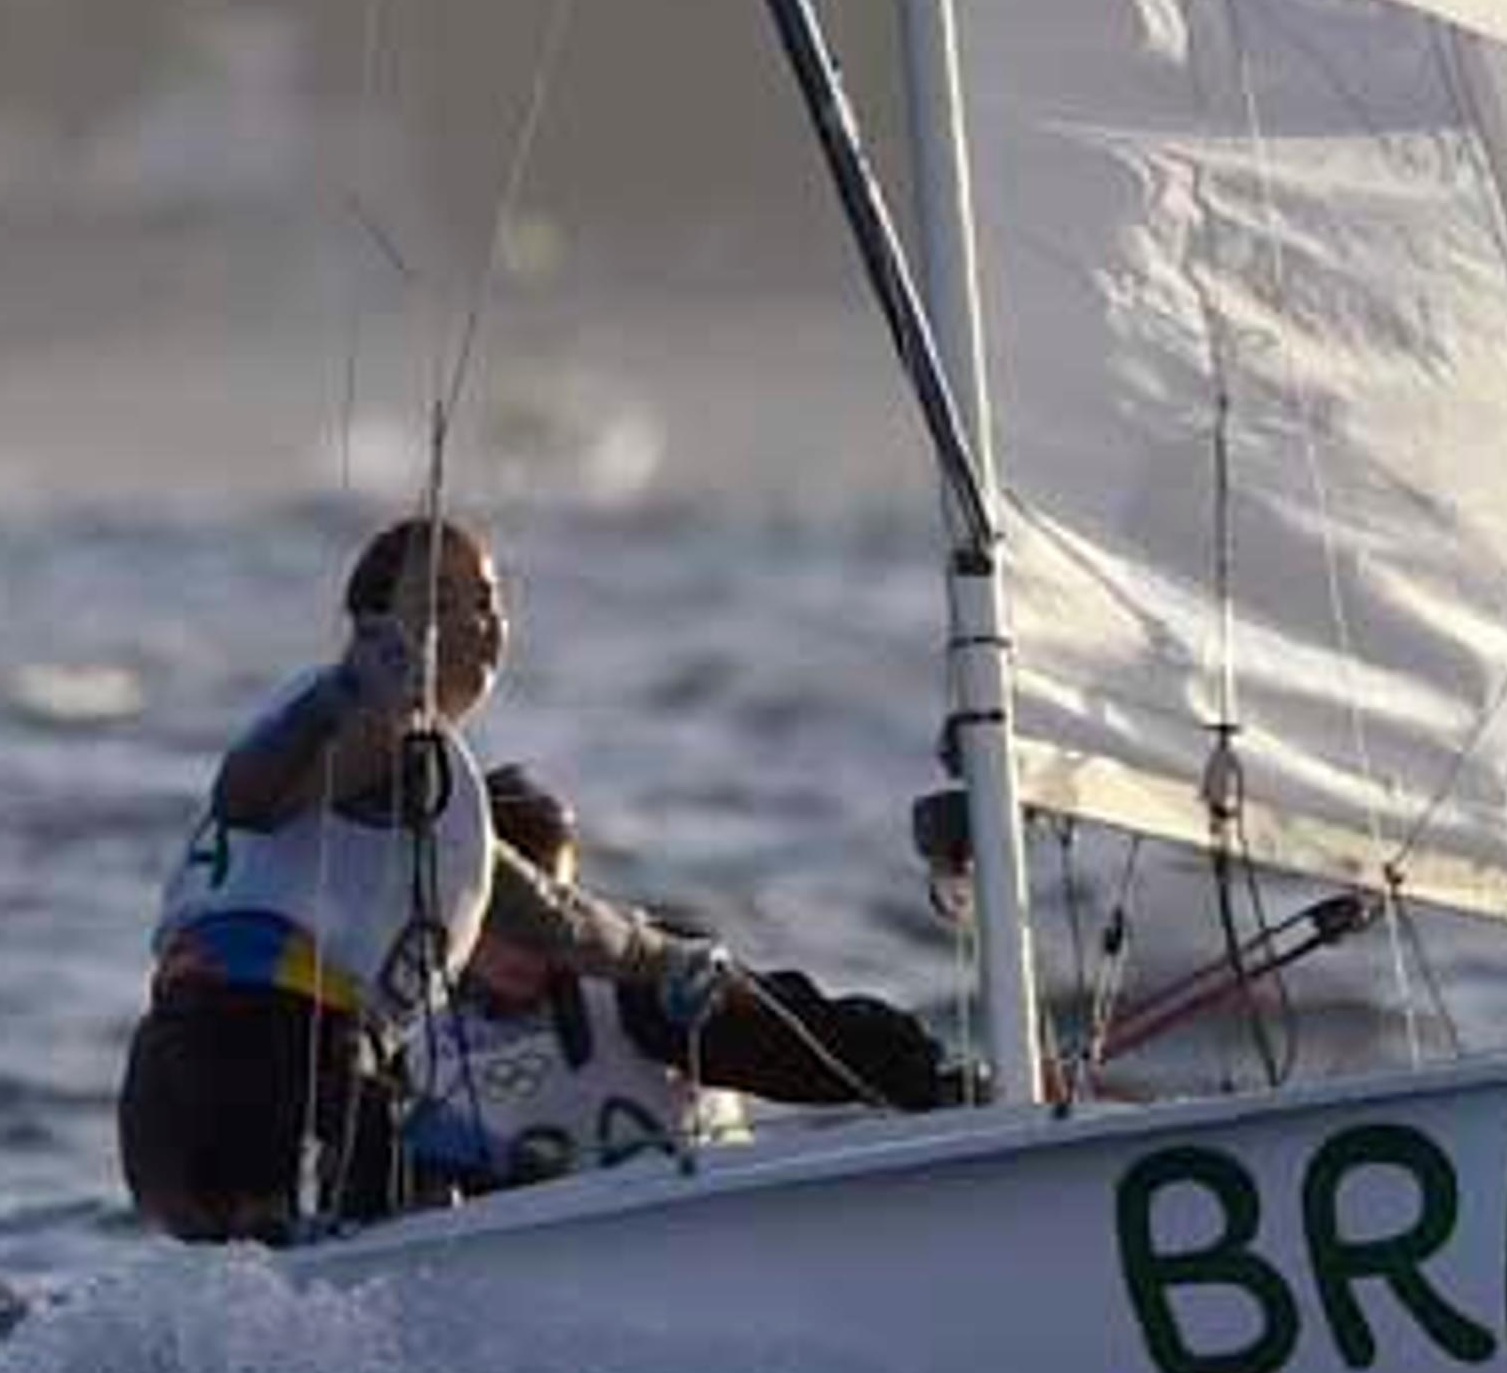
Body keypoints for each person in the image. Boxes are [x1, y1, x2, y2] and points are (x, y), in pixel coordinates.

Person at [119, 515, 716, 1242]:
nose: (477, 622)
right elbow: (249, 798)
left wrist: (665, 957)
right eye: (439, 600)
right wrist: (341, 696)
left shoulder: (433, 783)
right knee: (410, 1207)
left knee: (306, 1250)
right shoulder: (369, 733)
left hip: (178, 1093)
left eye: (489, 600)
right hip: (253, 1062)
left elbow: (557, 919)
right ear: (371, 625)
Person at [405, 763, 954, 1190]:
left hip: (700, 1245)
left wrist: (939, 1080)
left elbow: (811, 1043)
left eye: (547, 921)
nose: (528, 948)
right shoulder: (409, 1034)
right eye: (505, 924)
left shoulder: (640, 986)